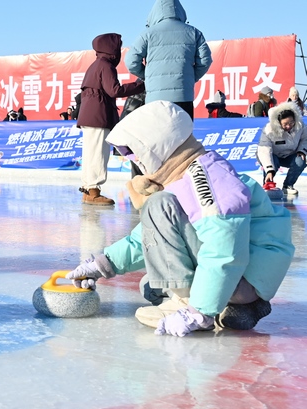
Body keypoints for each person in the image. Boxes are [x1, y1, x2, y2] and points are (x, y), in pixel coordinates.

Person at [66, 101, 294, 337]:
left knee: (158, 206)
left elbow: (224, 249)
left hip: (246, 276)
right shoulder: (187, 174)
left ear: (156, 146)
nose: (132, 160)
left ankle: (196, 304)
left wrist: (199, 311)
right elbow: (146, 237)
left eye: (132, 152)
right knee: (152, 285)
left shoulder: (204, 180)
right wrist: (101, 266)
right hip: (247, 275)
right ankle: (237, 307)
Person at [76, 33, 145, 206]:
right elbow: (114, 90)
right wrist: (141, 85)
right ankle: (93, 191)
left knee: (91, 153)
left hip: (90, 115)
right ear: (112, 49)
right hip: (98, 116)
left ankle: (88, 189)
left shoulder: (96, 65)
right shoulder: (106, 66)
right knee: (99, 154)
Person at [125, 0, 212, 119]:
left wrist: (148, 76)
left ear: (154, 13)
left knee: (157, 135)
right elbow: (205, 60)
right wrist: (189, 77)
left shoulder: (147, 34)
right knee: (183, 135)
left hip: (155, 98)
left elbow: (131, 61)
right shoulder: (194, 33)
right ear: (181, 11)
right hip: (183, 96)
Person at [257, 102, 307, 196]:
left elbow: (306, 139)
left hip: (289, 155)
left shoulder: (300, 126)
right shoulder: (269, 130)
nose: (288, 126)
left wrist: (302, 150)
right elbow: (264, 150)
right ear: (278, 122)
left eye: (291, 123)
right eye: (285, 124)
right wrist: (269, 170)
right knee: (272, 164)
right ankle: (267, 185)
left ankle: (288, 185)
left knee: (301, 161)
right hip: (273, 155)